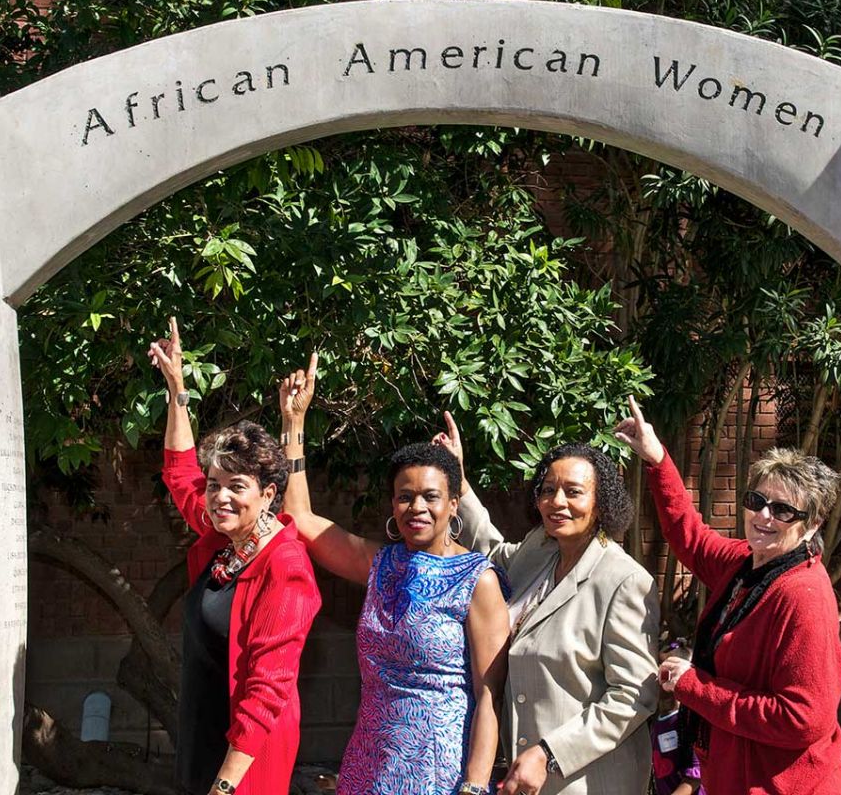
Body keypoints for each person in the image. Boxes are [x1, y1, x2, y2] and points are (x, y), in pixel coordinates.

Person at [279, 356, 511, 795]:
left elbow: (489, 698)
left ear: (453, 504)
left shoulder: (477, 580)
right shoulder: (380, 564)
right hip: (368, 762)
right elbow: (300, 519)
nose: (417, 508)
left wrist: (476, 787)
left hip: (439, 771)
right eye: (405, 497)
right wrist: (294, 424)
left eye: (430, 497)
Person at [615, 395, 841, 795]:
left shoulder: (803, 596)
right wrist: (657, 460)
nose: (763, 516)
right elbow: (690, 536)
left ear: (811, 526)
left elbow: (802, 719)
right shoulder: (746, 562)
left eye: (783, 511)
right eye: (756, 501)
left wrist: (695, 686)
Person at [434, 413, 659, 795]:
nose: (557, 501)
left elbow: (634, 696)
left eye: (573, 491)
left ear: (601, 502)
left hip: (592, 782)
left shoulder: (624, 580)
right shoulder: (539, 552)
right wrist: (460, 480)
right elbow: (488, 552)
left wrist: (549, 753)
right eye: (548, 489)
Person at [149, 318, 321, 795]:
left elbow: (267, 692)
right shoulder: (221, 538)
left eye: (236, 487)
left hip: (246, 762)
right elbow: (181, 474)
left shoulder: (285, 566)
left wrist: (224, 788)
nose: (220, 497)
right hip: (200, 740)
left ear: (268, 495)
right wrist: (177, 389)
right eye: (216, 485)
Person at [650, 638, 704, 795]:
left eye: (668, 673)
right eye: (659, 671)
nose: (661, 679)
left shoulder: (691, 721)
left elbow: (695, 777)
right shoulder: (658, 721)